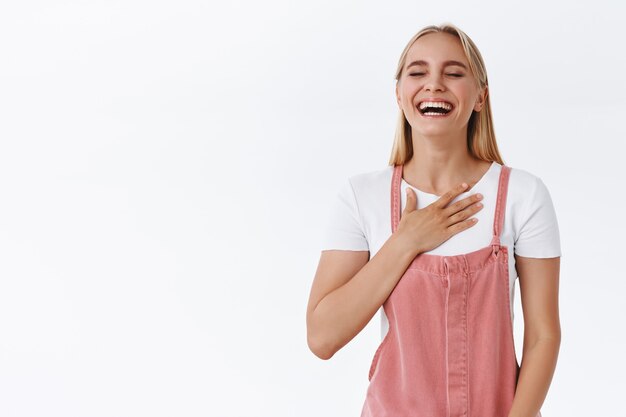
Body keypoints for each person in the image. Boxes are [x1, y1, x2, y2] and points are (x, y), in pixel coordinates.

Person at [306, 23, 561, 417]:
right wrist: (405, 242)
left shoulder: (523, 195)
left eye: (454, 73)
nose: (434, 84)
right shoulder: (361, 197)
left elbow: (543, 336)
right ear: (399, 94)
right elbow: (322, 337)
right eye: (418, 72)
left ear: (480, 96)